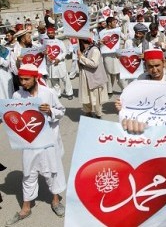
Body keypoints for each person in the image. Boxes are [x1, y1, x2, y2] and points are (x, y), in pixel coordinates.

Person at [5, 64, 66, 226]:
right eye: (21, 79)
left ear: (35, 77)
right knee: (28, 173)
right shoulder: (17, 96)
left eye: (26, 79)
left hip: (48, 142)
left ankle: (55, 201)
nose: (23, 82)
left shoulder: (49, 93)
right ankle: (26, 207)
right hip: (29, 142)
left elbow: (62, 111)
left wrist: (51, 111)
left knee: (52, 171)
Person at [77, 38, 108, 119]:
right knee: (86, 97)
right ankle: (88, 112)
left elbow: (94, 64)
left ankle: (98, 114)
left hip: (94, 78)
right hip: (85, 78)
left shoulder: (94, 50)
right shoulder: (84, 50)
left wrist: (81, 57)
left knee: (96, 98)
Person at [99, 17, 127, 97]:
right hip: (107, 55)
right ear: (109, 23)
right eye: (114, 22)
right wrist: (100, 42)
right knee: (108, 73)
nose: (115, 24)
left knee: (119, 73)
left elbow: (125, 38)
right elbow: (98, 43)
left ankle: (124, 89)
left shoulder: (117, 30)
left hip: (116, 55)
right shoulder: (102, 32)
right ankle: (109, 90)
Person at [44, 27, 73, 100]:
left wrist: (59, 59)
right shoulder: (45, 43)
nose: (50, 34)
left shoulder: (60, 42)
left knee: (65, 78)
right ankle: (57, 93)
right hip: (50, 64)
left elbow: (65, 51)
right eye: (49, 33)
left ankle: (69, 93)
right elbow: (44, 52)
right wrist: (47, 56)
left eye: (52, 33)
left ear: (54, 33)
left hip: (60, 63)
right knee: (54, 80)